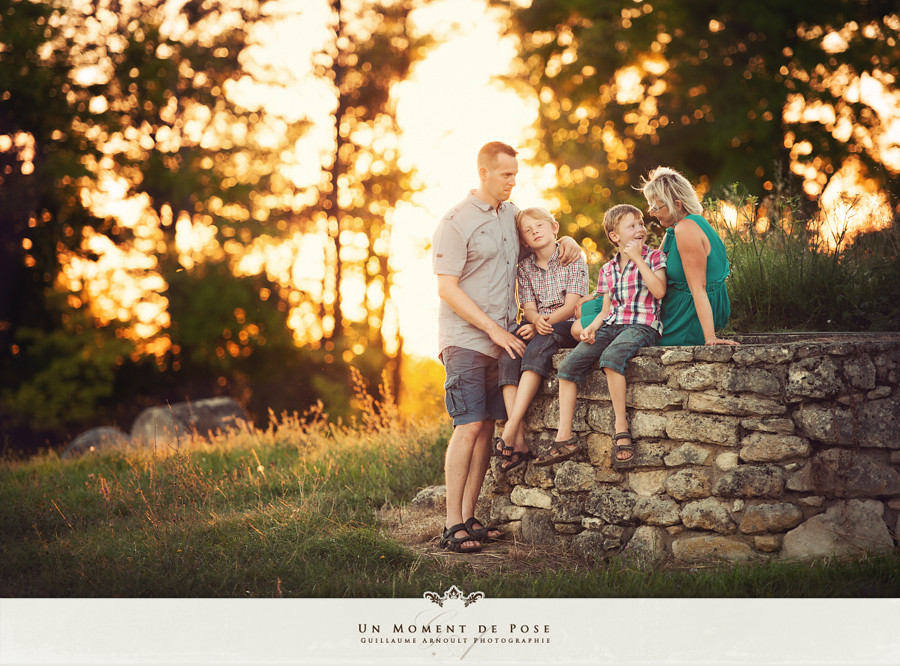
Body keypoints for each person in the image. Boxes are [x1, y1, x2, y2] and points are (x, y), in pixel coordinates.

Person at [432, 141, 581, 553]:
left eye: (516, 174)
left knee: (488, 431)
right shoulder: (455, 221)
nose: (513, 182)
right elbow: (446, 287)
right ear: (483, 172)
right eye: (505, 175)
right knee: (469, 425)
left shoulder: (511, 216)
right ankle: (450, 524)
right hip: (465, 340)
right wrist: (493, 330)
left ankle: (468, 517)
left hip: (505, 341)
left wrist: (567, 240)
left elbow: (541, 236)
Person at [535, 204, 667, 470]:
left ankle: (621, 429)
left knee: (611, 357)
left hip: (642, 325)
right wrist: (591, 328)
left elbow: (660, 291)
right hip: (612, 325)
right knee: (568, 367)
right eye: (632, 226)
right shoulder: (608, 269)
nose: (640, 229)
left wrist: (639, 259)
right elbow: (606, 311)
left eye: (641, 223)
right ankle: (564, 438)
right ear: (615, 236)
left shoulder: (654, 258)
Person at [493, 207, 589, 473]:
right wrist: (535, 321)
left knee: (539, 346)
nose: (534, 231)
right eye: (527, 230)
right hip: (537, 323)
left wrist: (543, 325)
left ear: (554, 228)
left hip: (566, 324)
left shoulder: (573, 257)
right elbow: (528, 306)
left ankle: (510, 426)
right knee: (509, 353)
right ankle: (519, 441)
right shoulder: (524, 267)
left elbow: (571, 306)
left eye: (539, 225)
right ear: (523, 241)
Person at [640, 166, 738, 346]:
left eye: (656, 206)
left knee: (597, 327)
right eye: (650, 205)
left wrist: (710, 337)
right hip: (678, 309)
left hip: (686, 317)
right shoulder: (677, 227)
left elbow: (698, 288)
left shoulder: (686, 229)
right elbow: (653, 266)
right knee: (590, 311)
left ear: (677, 204)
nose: (651, 212)